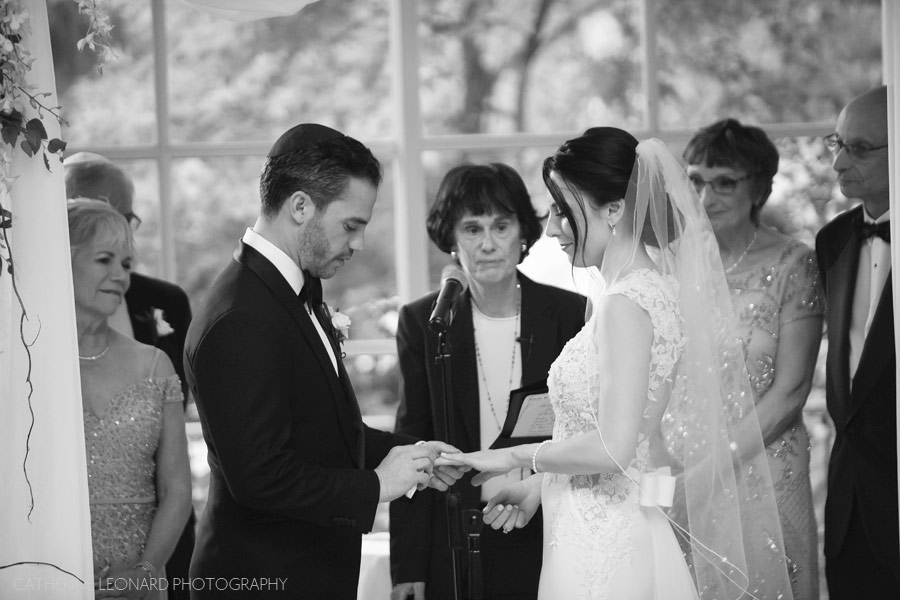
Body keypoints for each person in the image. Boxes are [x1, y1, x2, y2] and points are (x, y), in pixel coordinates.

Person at [438, 127, 794, 599]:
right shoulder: (648, 291)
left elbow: (614, 448)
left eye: (565, 212)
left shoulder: (624, 304)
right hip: (609, 519)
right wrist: (539, 486)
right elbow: (634, 434)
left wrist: (515, 456)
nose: (551, 229)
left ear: (614, 209)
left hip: (599, 541)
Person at [184, 123, 465, 599]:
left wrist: (412, 455)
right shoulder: (240, 316)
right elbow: (261, 477)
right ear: (300, 207)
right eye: (350, 225)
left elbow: (320, 431)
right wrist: (376, 486)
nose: (357, 243)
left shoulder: (293, 291)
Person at [390, 163, 585, 600]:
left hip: (548, 525)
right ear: (452, 240)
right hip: (457, 538)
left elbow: (586, 430)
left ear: (523, 233)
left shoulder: (570, 313)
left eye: (501, 225)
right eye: (472, 228)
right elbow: (412, 441)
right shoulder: (425, 321)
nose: (489, 243)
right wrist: (407, 566)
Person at [672, 118, 823, 599]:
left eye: (724, 183)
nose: (705, 197)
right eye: (695, 180)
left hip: (765, 468)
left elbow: (792, 392)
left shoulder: (792, 262)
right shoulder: (670, 264)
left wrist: (712, 469)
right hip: (683, 466)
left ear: (758, 188)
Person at [64, 152, 196, 600]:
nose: (121, 275)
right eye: (104, 260)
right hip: (49, 569)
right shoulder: (23, 366)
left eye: (126, 262)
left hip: (142, 575)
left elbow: (177, 488)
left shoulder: (152, 363)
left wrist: (146, 570)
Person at [816, 85, 899, 598]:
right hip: (849, 505)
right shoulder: (833, 240)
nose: (839, 163)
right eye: (837, 144)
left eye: (861, 148)